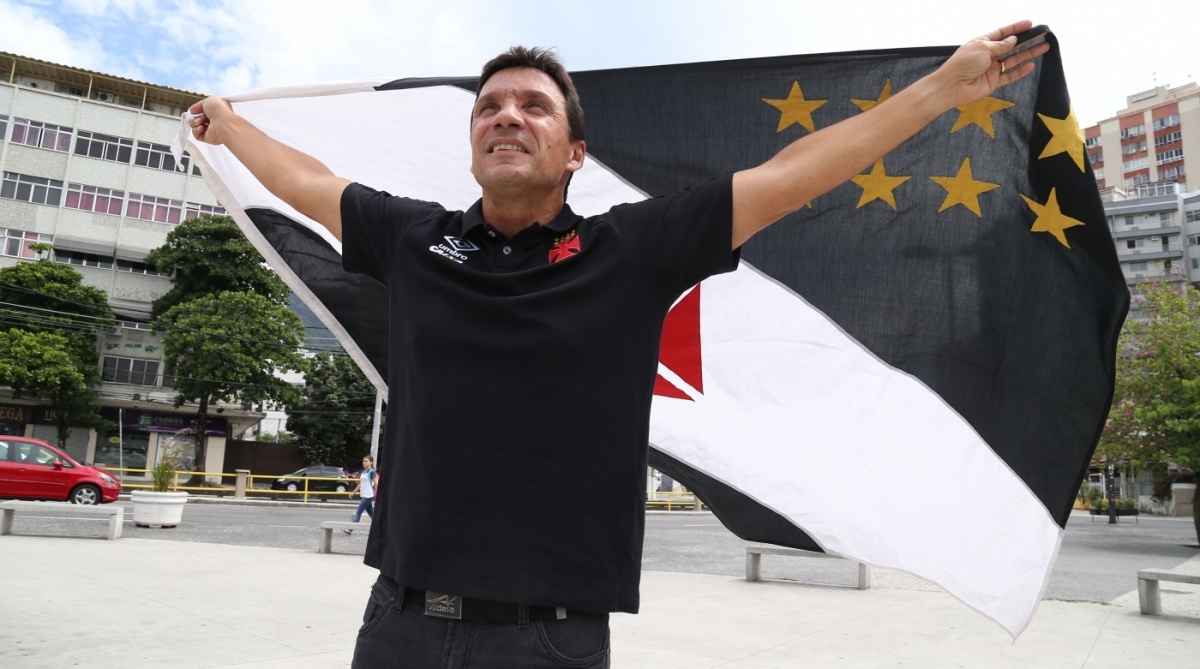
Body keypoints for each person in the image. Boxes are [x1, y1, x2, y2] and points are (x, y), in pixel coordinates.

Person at [187, 21, 1046, 669]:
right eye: (490, 107)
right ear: (474, 141)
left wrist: (938, 90)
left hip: (548, 639)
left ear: (573, 153)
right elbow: (306, 182)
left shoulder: (631, 250)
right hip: (400, 625)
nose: (506, 117)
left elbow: (793, 176)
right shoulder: (413, 240)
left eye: (533, 106)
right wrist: (227, 127)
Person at [345, 455, 379, 534]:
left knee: (358, 512)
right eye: (363, 461)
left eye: (366, 461)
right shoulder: (364, 472)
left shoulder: (372, 472)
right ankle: (380, 528)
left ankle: (350, 529)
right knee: (372, 514)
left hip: (368, 496)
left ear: (371, 462)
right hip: (364, 495)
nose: (364, 463)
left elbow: (377, 483)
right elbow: (361, 484)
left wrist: (381, 495)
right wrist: (353, 492)